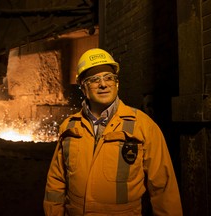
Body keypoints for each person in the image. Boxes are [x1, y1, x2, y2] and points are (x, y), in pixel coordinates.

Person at [43, 48, 182, 216]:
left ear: (117, 83)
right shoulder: (69, 127)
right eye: (94, 80)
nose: (103, 84)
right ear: (83, 87)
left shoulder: (143, 126)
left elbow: (163, 188)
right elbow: (56, 181)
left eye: (109, 78)